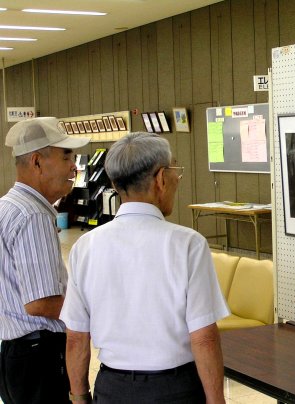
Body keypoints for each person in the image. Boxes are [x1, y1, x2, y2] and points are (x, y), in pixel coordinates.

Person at [60, 132, 230, 403]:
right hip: (175, 390)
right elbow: (204, 338)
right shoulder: (188, 244)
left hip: (112, 388)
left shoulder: (85, 247)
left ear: (115, 183)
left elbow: (76, 337)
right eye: (176, 171)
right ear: (161, 179)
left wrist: (79, 396)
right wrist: (216, 400)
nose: (178, 179)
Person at [0, 117, 90, 404]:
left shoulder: (7, 206)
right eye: (66, 156)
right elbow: (40, 303)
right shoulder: (33, 215)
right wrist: (97, 311)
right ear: (37, 162)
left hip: (15, 355)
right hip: (39, 357)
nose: (73, 167)